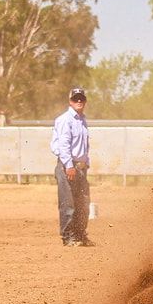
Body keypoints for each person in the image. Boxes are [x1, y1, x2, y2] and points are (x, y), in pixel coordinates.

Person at [50, 87, 94, 247]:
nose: (79, 101)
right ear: (70, 101)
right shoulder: (65, 120)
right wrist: (69, 165)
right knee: (68, 204)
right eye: (76, 98)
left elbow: (84, 145)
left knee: (83, 203)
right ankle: (68, 237)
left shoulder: (82, 120)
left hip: (80, 168)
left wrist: (85, 163)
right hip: (68, 166)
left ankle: (80, 235)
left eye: (81, 98)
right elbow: (63, 145)